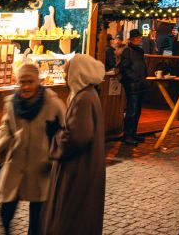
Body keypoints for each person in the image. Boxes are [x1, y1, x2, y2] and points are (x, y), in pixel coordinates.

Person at [0, 64, 65, 235]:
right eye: (22, 82)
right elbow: (5, 126)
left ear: (38, 82)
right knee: (5, 209)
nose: (26, 86)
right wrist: (2, 140)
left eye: (30, 82)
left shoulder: (52, 103)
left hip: (41, 165)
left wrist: (55, 149)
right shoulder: (11, 103)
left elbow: (65, 129)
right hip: (16, 163)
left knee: (38, 217)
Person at [41, 54, 105, 235]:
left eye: (68, 73)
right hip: (84, 167)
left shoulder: (84, 98)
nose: (66, 77)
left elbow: (79, 136)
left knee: (70, 216)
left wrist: (55, 134)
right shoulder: (88, 94)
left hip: (78, 170)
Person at [119, 29, 148, 145]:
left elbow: (141, 66)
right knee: (132, 110)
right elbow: (124, 68)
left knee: (138, 111)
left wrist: (143, 78)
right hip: (131, 84)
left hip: (140, 84)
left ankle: (133, 133)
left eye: (140, 37)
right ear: (132, 39)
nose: (140, 39)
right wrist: (135, 78)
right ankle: (127, 135)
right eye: (138, 37)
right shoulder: (127, 51)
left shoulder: (140, 51)